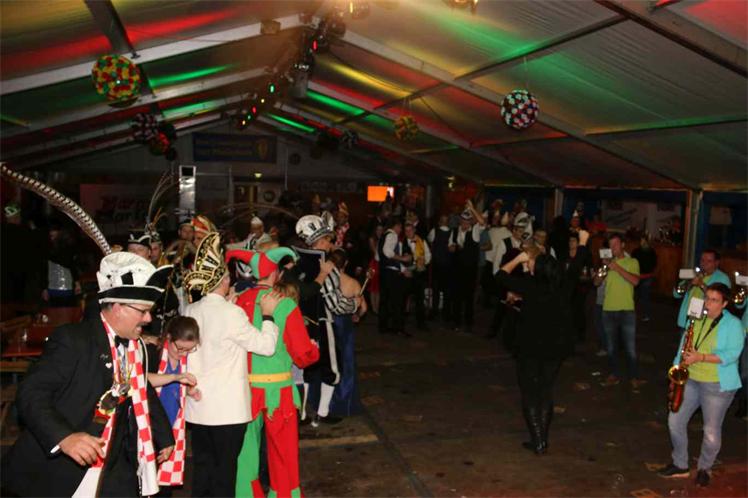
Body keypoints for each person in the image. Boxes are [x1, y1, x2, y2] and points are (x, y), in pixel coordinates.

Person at [3, 252, 176, 497]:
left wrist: (163, 434)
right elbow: (31, 393)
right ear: (118, 308)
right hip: (68, 466)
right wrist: (65, 437)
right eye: (143, 311)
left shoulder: (135, 346)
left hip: (118, 459)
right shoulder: (74, 340)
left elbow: (141, 389)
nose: (148, 319)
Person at [182, 232, 281, 498]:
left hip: (198, 407)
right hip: (227, 410)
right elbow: (265, 346)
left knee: (203, 468)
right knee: (225, 472)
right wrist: (268, 316)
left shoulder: (190, 310)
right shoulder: (232, 313)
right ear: (225, 281)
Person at [228, 247, 320, 498]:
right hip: (278, 392)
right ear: (276, 274)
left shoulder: (237, 302)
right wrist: (314, 351)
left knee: (245, 452)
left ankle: (245, 494)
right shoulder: (284, 304)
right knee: (283, 452)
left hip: (245, 389)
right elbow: (302, 355)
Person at [496, 230, 590, 454]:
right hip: (555, 347)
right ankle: (542, 438)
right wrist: (583, 243)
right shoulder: (563, 285)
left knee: (530, 392)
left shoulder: (530, 286)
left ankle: (538, 440)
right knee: (546, 391)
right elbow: (577, 265)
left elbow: (500, 276)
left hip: (530, 347)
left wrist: (518, 259)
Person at [658, 283, 744, 487]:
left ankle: (705, 468)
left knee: (711, 431)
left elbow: (732, 354)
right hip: (691, 378)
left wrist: (701, 357)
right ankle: (680, 464)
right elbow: (684, 345)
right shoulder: (696, 317)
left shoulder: (733, 324)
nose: (708, 303)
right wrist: (676, 370)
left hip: (717, 384)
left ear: (724, 304)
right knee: (674, 420)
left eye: (714, 300)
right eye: (707, 298)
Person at [287, 214, 360, 425]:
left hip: (299, 324)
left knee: (304, 369)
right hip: (322, 324)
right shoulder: (325, 267)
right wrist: (354, 304)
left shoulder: (295, 264)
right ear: (319, 242)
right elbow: (335, 303)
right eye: (327, 240)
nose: (330, 244)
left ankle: (302, 414)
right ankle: (322, 413)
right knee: (331, 368)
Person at [146, 316, 202, 494]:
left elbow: (174, 390)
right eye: (180, 348)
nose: (183, 354)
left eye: (189, 349)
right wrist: (176, 377)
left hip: (172, 425)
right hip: (151, 426)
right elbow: (143, 380)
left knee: (164, 486)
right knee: (147, 480)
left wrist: (189, 391)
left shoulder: (185, 360)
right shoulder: (153, 352)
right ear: (168, 338)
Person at [595, 234, 641, 387]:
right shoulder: (607, 264)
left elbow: (635, 281)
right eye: (610, 245)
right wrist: (602, 270)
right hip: (608, 309)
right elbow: (596, 283)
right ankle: (614, 374)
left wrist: (616, 267)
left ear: (623, 245)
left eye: (615, 244)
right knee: (611, 346)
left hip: (627, 310)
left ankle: (633, 377)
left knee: (630, 347)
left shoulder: (632, 261)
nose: (613, 247)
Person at [448, 200, 486, 333]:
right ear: (460, 221)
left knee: (469, 297)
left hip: (470, 270)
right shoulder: (454, 231)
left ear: (470, 222)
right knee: (456, 297)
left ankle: (469, 322)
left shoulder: (474, 232)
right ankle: (456, 322)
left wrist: (472, 209)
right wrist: (453, 248)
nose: (465, 224)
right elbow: (450, 247)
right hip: (457, 269)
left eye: (467, 221)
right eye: (463, 221)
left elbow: (482, 222)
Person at [673, 249, 731, 332]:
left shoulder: (723, 278)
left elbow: (721, 297)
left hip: (705, 319)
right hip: (687, 317)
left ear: (716, 263)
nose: (704, 263)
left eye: (709, 261)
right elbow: (676, 294)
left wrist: (701, 284)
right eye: (702, 260)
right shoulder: (695, 274)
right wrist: (688, 283)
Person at [632, 235, 657, 322]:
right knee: (635, 296)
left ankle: (646, 314)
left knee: (645, 297)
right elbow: (632, 262)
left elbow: (654, 264)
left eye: (643, 241)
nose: (642, 242)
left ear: (647, 241)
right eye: (641, 241)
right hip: (638, 276)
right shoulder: (636, 251)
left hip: (647, 276)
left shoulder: (651, 252)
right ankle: (633, 313)